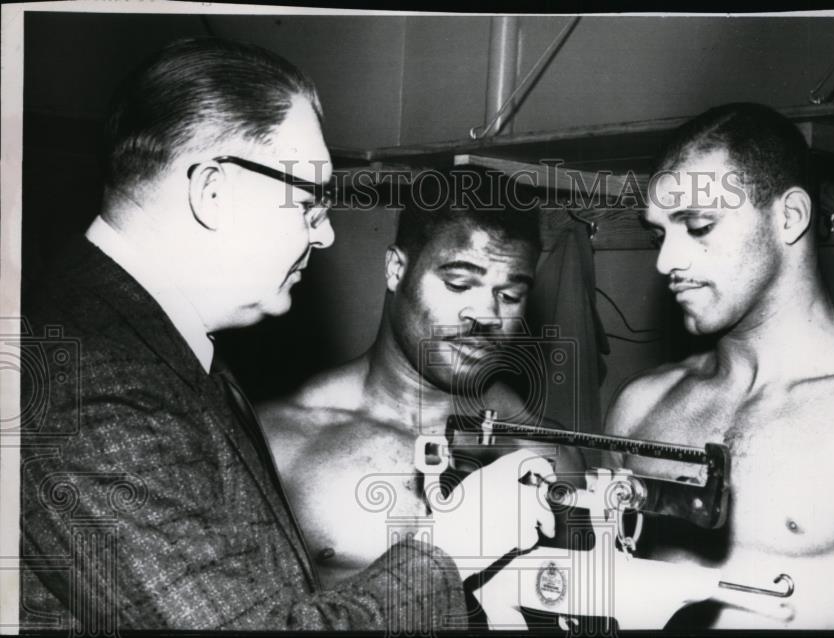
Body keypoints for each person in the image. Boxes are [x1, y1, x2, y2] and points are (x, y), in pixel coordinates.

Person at [19, 38, 554, 632]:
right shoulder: (91, 380)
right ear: (213, 193)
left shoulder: (155, 349)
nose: (323, 236)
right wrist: (454, 548)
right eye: (309, 202)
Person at [604, 103, 834, 630]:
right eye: (659, 235)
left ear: (788, 217)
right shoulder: (641, 405)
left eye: (698, 225)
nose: (666, 260)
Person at [260, 168, 583, 586]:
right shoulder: (279, 443)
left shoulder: (547, 454)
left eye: (510, 296)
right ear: (396, 269)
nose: (487, 316)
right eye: (459, 284)